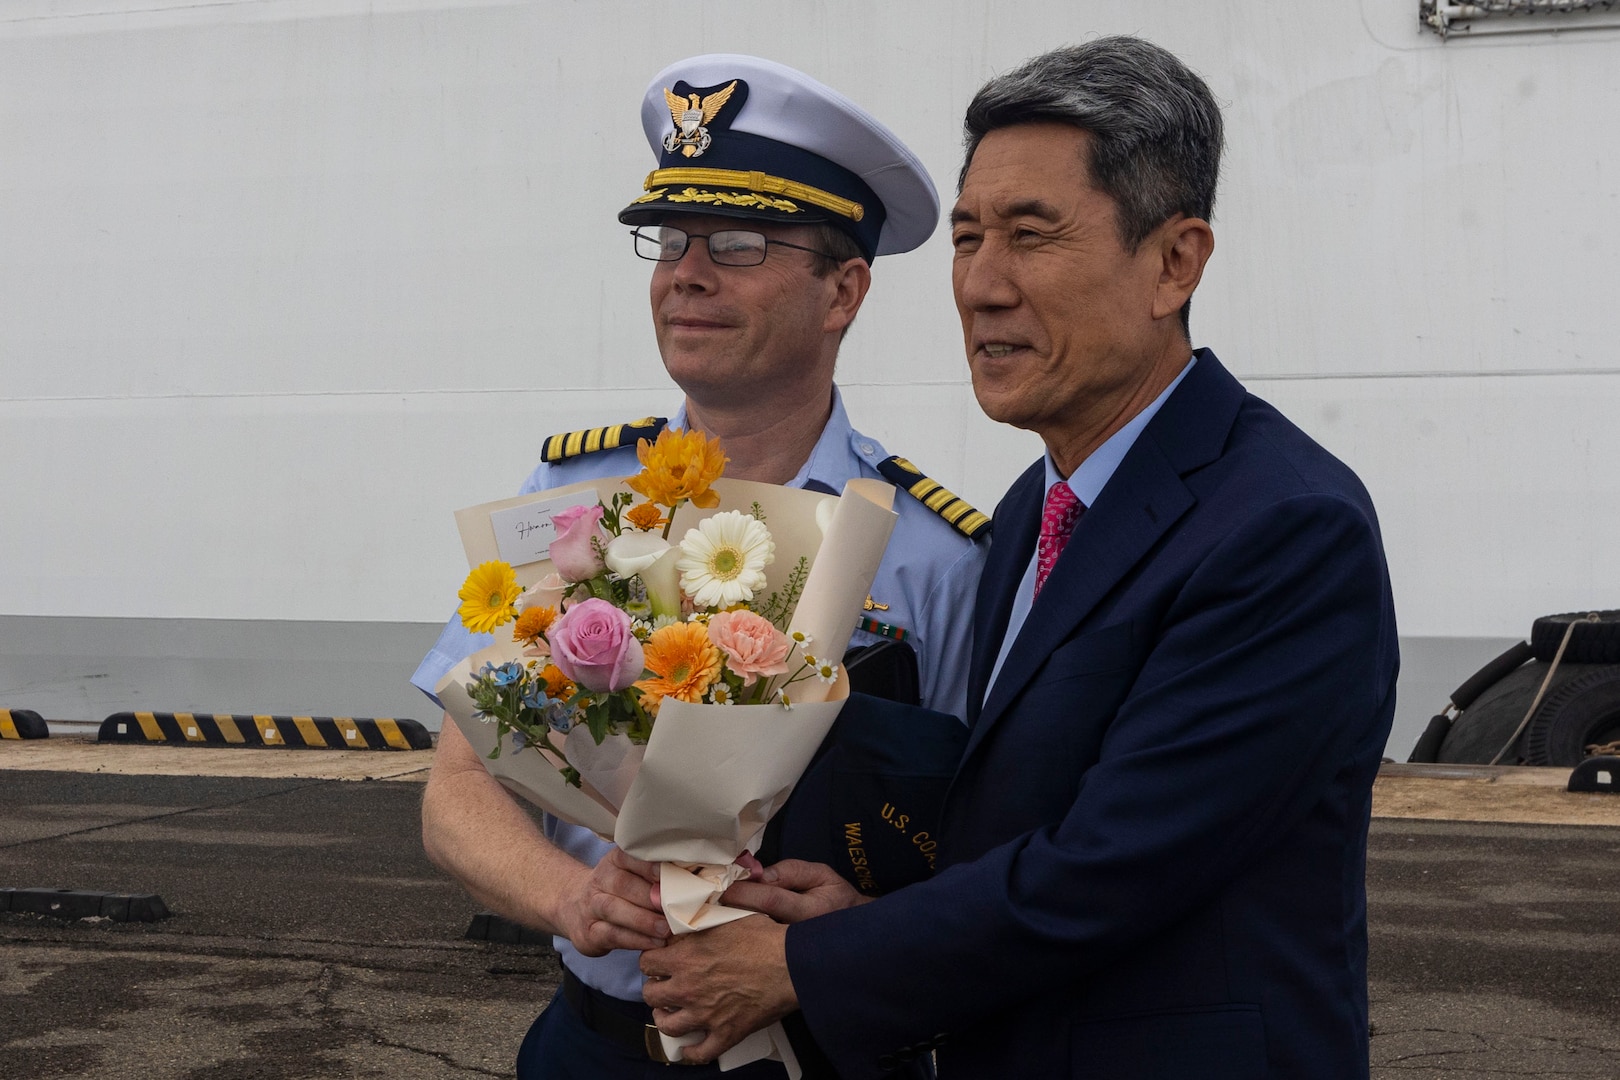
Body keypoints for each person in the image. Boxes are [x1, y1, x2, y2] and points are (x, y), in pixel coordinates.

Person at [636, 36, 1400, 1080]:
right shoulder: (1037, 510)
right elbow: (1017, 830)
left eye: (1032, 236)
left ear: (1174, 262)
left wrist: (810, 960)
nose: (982, 287)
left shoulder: (1283, 526)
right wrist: (877, 909)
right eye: (966, 238)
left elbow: (1106, 870)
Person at [411, 53, 987, 1078]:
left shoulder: (936, 552)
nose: (686, 272)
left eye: (738, 242)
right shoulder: (572, 503)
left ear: (843, 289)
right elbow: (460, 788)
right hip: (594, 1050)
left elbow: (986, 842)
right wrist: (570, 897)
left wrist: (854, 931)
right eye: (669, 240)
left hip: (830, 1052)